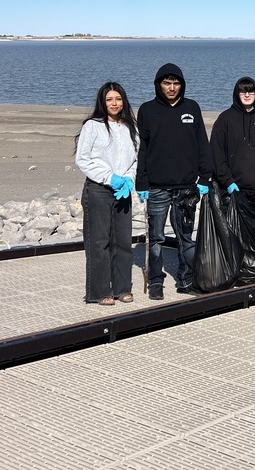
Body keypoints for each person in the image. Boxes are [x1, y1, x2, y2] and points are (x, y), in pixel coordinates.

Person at [135, 63, 212, 300]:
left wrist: (205, 177)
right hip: (157, 188)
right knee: (156, 237)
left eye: (176, 83)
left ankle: (186, 278)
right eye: (167, 83)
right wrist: (142, 182)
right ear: (159, 85)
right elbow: (142, 149)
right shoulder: (147, 110)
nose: (171, 87)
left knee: (186, 237)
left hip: (186, 188)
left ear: (182, 85)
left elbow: (202, 145)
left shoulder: (192, 107)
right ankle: (156, 280)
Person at [75, 82, 138, 305]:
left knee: (122, 241)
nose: (114, 103)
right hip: (98, 190)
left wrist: (128, 180)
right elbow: (83, 159)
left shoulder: (131, 127)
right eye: (109, 99)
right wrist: (110, 178)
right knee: (99, 242)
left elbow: (135, 159)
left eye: (118, 99)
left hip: (122, 192)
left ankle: (122, 288)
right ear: (103, 101)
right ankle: (99, 292)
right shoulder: (93, 126)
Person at [210, 76, 255, 203]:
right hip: (231, 189)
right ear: (237, 94)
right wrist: (228, 181)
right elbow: (216, 153)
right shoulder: (225, 119)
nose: (247, 95)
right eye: (243, 92)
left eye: (251, 92)